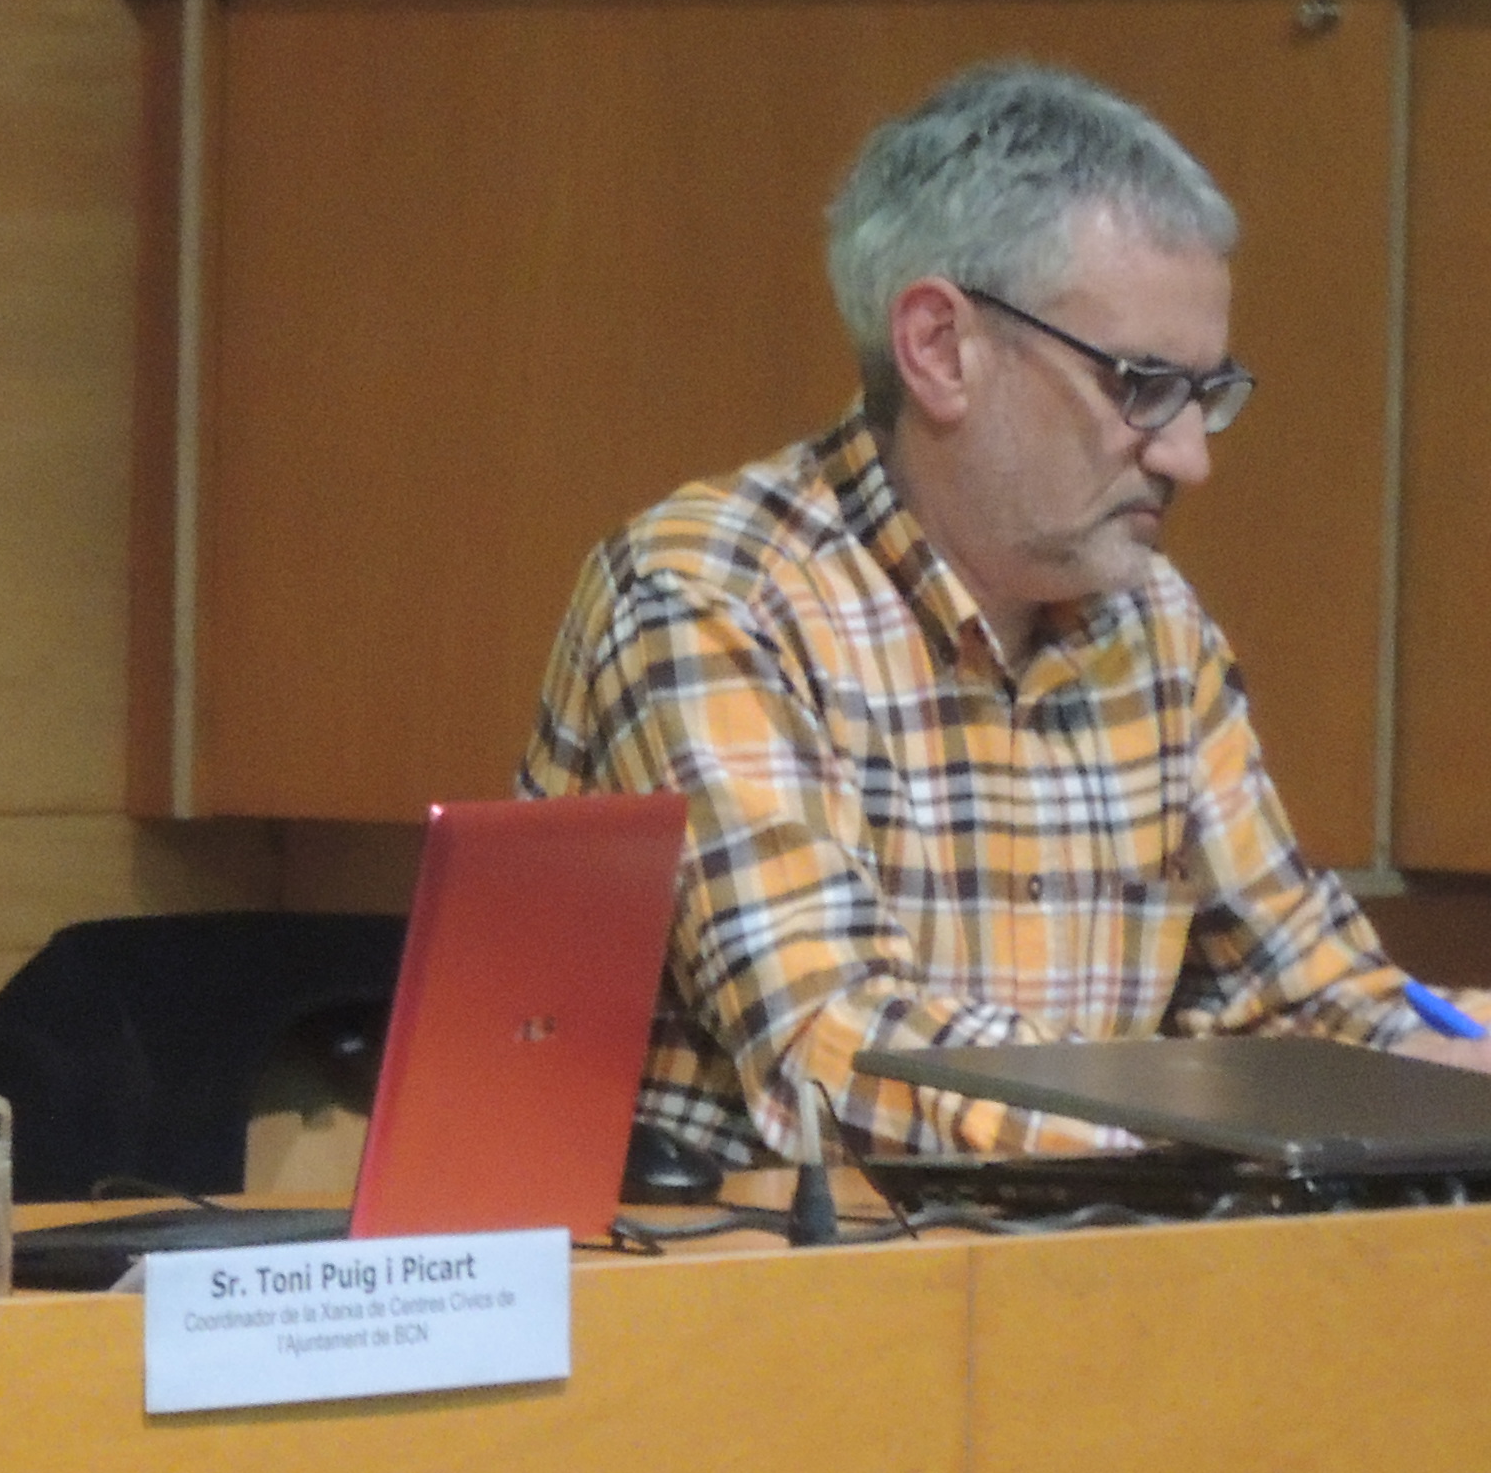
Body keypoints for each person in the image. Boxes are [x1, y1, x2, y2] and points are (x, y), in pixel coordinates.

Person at [520, 57, 1474, 1166]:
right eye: (1143, 385)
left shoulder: (1150, 624)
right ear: (940, 349)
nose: (1189, 458)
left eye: (1206, 396)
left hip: (1068, 1284)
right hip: (755, 1303)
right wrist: (1209, 1124)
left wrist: (1431, 1060)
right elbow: (839, 1054)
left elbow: (1309, 1001)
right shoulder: (712, 597)